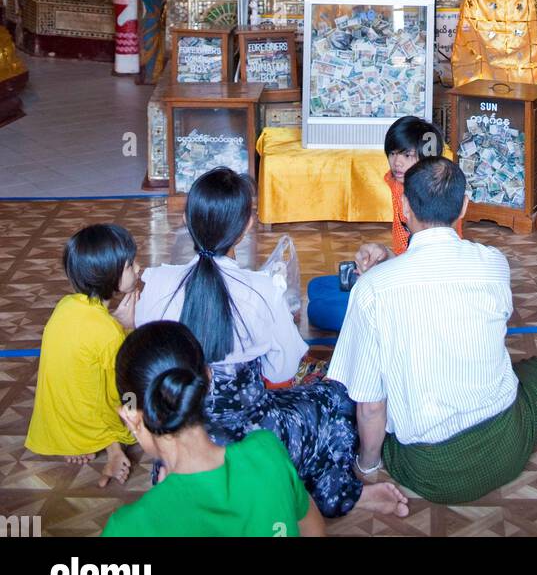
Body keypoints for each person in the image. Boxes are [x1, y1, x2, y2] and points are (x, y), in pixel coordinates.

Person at [330, 157, 537, 504]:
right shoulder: (494, 264)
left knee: (360, 398)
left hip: (434, 472)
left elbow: (372, 409)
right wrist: (392, 262)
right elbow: (437, 285)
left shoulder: (373, 289)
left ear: (404, 206)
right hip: (507, 446)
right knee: (534, 373)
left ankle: (373, 461)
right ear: (464, 206)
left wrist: (367, 467)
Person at [134, 167, 407, 520]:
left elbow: (147, 357)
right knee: (336, 395)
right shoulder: (262, 290)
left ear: (188, 221)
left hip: (180, 446)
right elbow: (284, 370)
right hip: (254, 442)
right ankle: (328, 492)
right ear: (247, 226)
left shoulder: (155, 282)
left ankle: (210, 491)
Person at [103, 322, 325, 538]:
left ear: (131, 417)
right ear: (209, 379)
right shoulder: (268, 453)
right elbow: (312, 527)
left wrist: (161, 502)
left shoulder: (128, 528)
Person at [26, 224, 140, 487]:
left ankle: (92, 442)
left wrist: (117, 326)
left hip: (58, 425)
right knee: (137, 387)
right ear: (111, 277)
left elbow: (90, 340)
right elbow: (121, 386)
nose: (137, 268)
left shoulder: (66, 305)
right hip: (93, 418)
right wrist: (129, 331)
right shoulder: (109, 332)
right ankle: (117, 441)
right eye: (130, 265)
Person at [357, 115, 460, 269]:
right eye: (392, 153)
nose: (397, 163)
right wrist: (387, 255)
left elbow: (445, 254)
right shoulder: (395, 181)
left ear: (427, 158)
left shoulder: (440, 195)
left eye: (407, 155)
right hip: (404, 259)